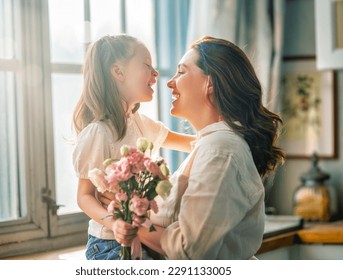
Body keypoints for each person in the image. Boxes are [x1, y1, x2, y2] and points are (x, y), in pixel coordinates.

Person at [111, 36, 285, 259]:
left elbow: (190, 249)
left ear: (210, 83)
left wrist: (131, 224)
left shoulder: (220, 150)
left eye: (182, 72)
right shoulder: (209, 146)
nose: (169, 82)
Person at [72, 34, 195, 260]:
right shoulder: (98, 133)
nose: (156, 73)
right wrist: (115, 222)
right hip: (109, 245)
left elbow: (192, 144)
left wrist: (227, 135)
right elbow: (84, 196)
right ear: (118, 72)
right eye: (147, 66)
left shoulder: (140, 123)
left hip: (144, 237)